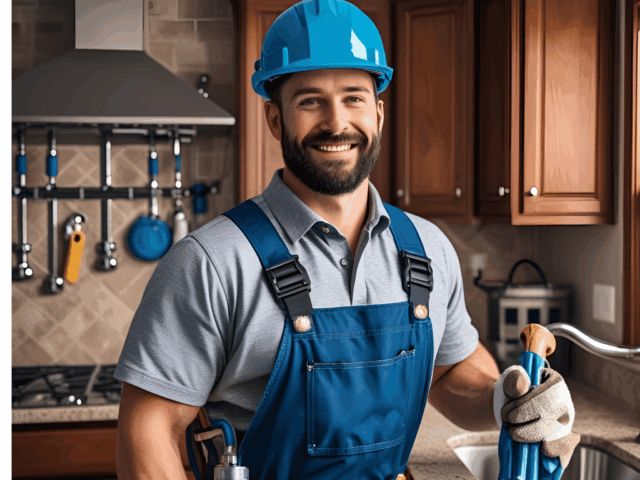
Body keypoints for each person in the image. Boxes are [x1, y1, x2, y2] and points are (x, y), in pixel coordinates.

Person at [114, 1, 580, 478]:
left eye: (354, 97)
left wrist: (505, 397)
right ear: (275, 120)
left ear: (377, 112)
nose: (336, 123)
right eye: (310, 100)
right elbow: (147, 436)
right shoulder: (211, 262)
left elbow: (448, 370)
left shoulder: (429, 248)